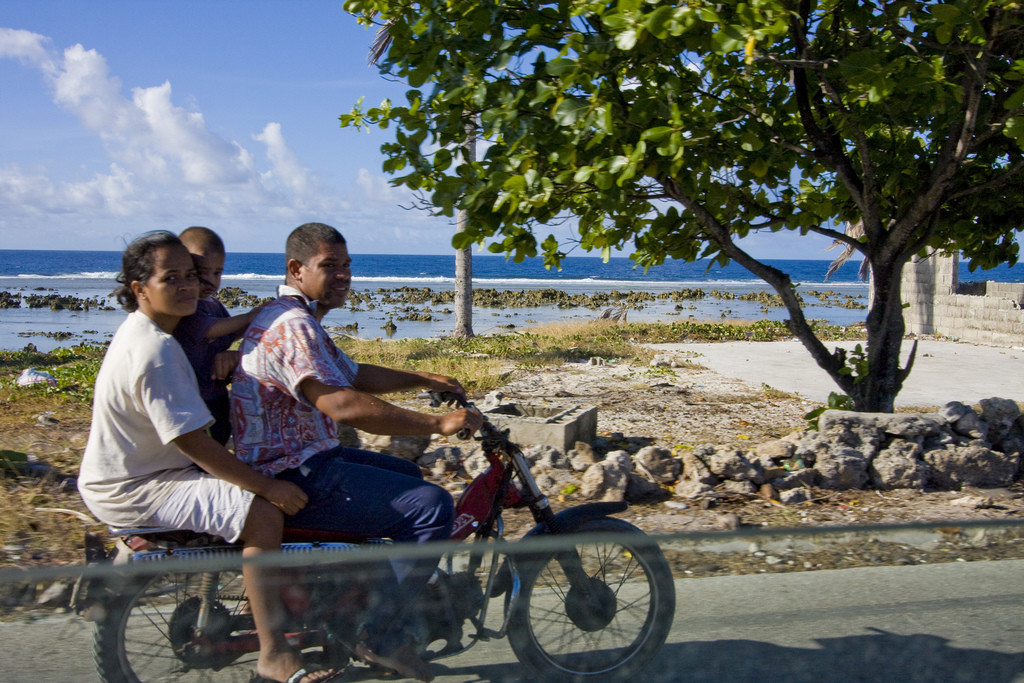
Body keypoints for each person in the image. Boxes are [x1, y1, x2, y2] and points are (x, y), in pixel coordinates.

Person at [77, 231, 336, 683]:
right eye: (171, 278)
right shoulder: (156, 350)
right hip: (139, 486)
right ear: (139, 288)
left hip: (137, 473)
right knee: (262, 515)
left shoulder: (151, 333)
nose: (188, 287)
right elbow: (193, 443)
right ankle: (274, 654)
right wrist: (267, 487)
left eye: (191, 277)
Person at [231, 222, 483, 682]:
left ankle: (356, 595)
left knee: (408, 479)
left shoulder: (294, 315)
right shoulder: (293, 326)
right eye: (330, 266)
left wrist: (425, 380)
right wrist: (436, 423)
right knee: (432, 508)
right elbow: (342, 405)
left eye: (347, 265)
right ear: (296, 268)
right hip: (295, 471)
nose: (344, 275)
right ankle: (378, 633)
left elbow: (352, 374)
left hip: (307, 456)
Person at [173, 226, 263, 444]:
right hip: (195, 399)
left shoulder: (214, 304)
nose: (210, 281)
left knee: (221, 437)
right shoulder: (188, 309)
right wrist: (253, 315)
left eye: (217, 272)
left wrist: (258, 321)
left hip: (217, 395)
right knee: (205, 448)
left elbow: (230, 332)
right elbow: (213, 329)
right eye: (201, 272)